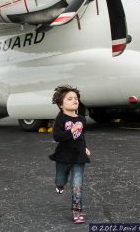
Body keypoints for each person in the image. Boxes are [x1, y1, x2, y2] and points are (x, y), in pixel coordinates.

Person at [49, 85, 91, 224]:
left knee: (77, 184)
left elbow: (81, 136)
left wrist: (85, 148)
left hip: (79, 156)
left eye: (76, 98)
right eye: (70, 99)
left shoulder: (81, 119)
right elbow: (57, 137)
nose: (75, 100)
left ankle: (77, 210)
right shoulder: (60, 119)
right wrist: (71, 130)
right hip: (63, 156)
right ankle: (60, 185)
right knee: (61, 178)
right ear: (61, 104)